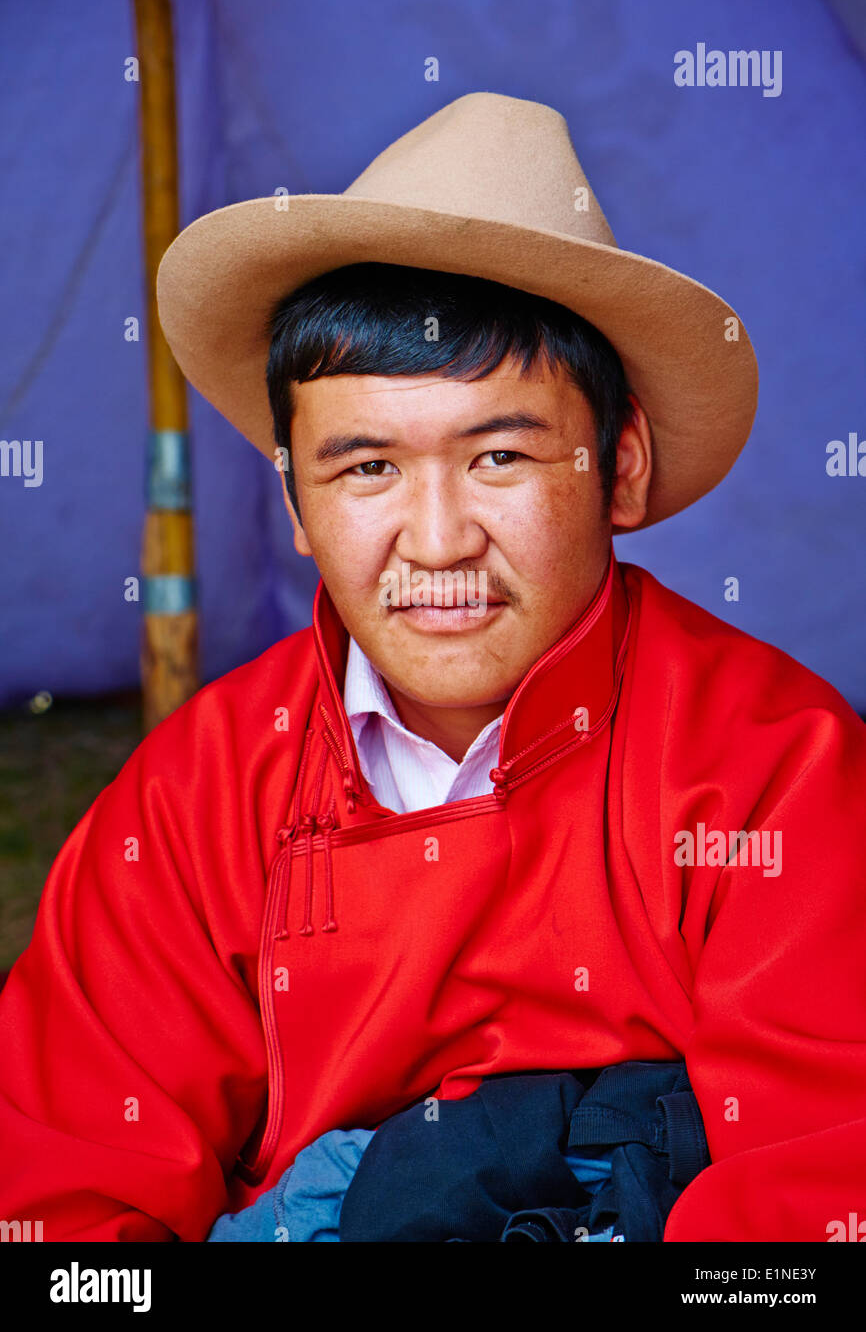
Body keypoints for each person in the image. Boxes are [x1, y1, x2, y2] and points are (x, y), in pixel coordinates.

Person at [0, 92, 864, 1244]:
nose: (437, 538)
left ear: (617, 467)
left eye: (498, 454)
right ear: (295, 501)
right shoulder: (193, 796)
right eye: (365, 468)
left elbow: (819, 1197)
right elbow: (59, 1204)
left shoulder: (776, 772)